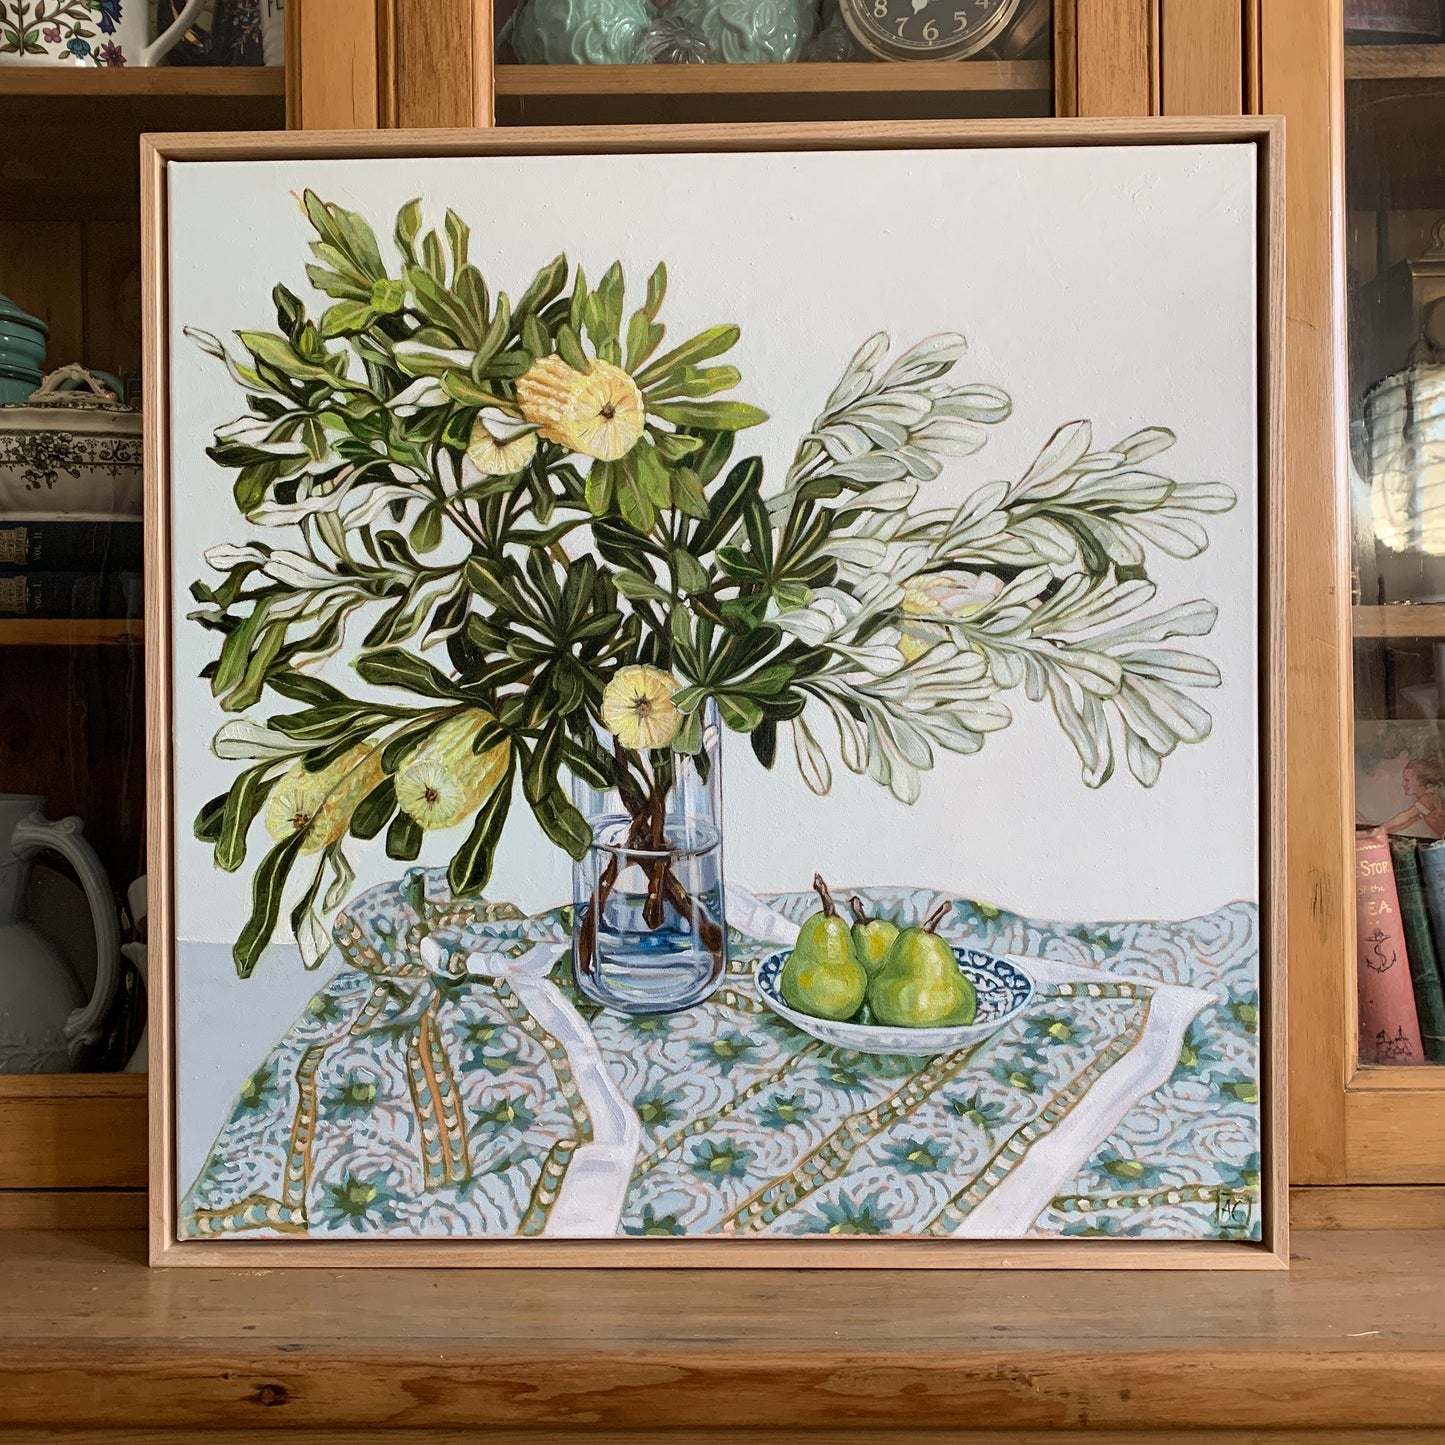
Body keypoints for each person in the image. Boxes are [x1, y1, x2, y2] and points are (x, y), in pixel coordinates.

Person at [1380, 756, 1445, 837]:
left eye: (1407, 780)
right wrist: (1382, 831)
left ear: (1420, 781)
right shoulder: (1424, 803)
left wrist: (1379, 830)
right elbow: (1405, 823)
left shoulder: (1428, 799)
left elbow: (1405, 817)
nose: (1403, 784)